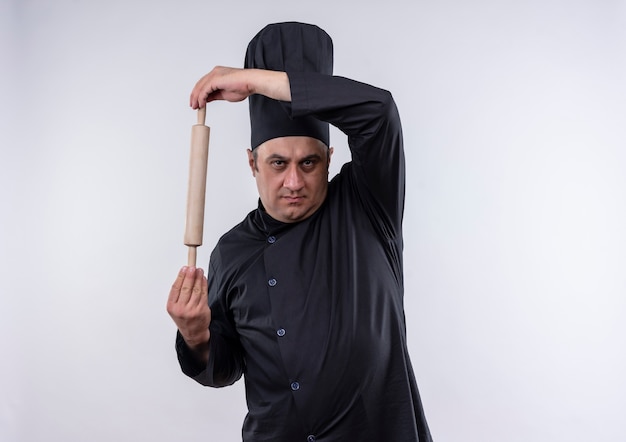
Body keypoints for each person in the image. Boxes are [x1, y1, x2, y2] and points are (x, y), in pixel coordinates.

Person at [167, 22, 433, 442]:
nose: (293, 181)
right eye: (277, 164)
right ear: (252, 162)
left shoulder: (365, 205)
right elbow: (225, 367)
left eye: (308, 163)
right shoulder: (232, 251)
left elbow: (379, 111)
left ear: (329, 158)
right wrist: (196, 335)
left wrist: (252, 81)